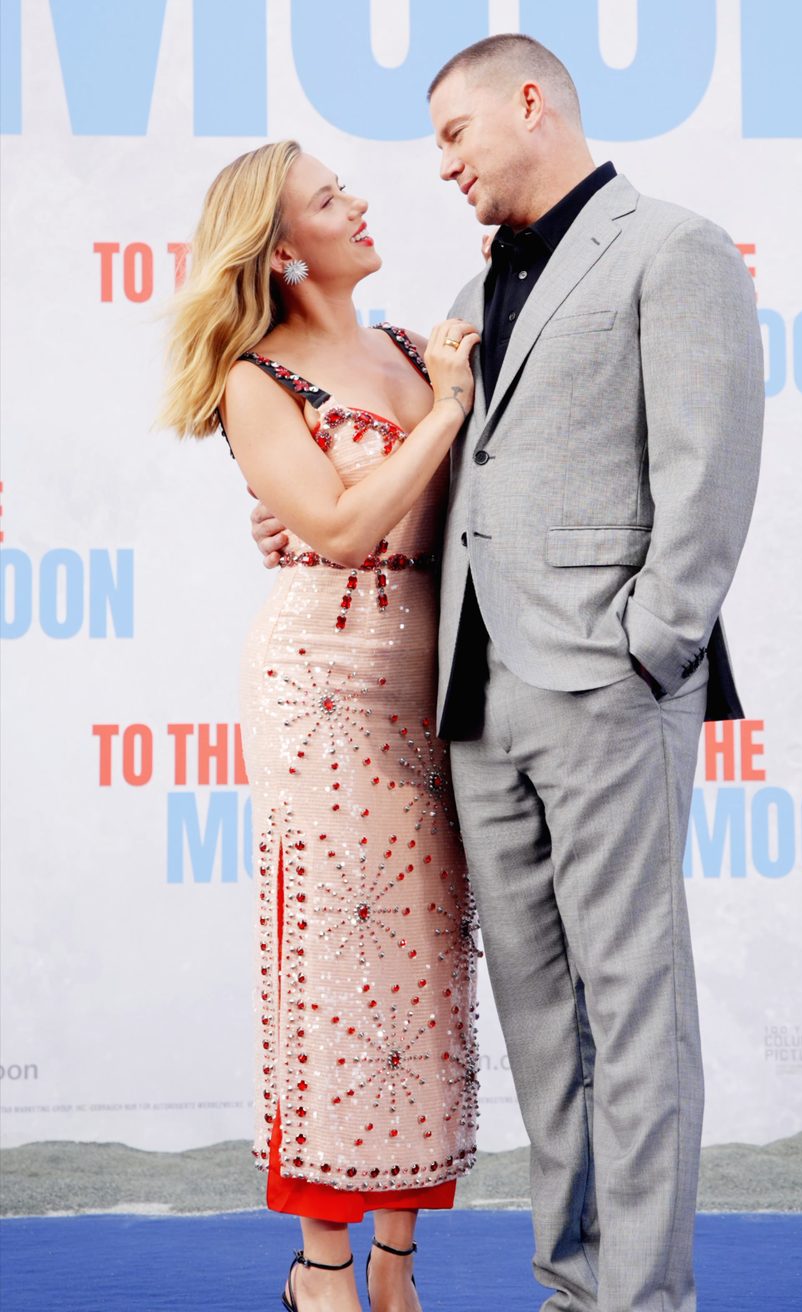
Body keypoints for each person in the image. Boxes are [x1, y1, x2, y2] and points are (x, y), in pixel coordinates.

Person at [253, 35, 765, 1312]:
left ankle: (637, 1300)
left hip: (604, 688)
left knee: (631, 1013)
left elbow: (708, 475)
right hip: (469, 709)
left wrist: (648, 649)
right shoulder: (477, 287)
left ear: (527, 104)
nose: (440, 167)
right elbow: (457, 477)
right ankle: (570, 1287)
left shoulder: (673, 246)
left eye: (452, 136)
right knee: (544, 1025)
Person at [161, 140, 481, 1312]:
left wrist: (441, 404)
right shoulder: (259, 376)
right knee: (333, 971)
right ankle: (324, 1272)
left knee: (423, 975)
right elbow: (342, 531)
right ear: (283, 247)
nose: (360, 203)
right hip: (322, 690)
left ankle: (396, 1270)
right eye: (330, 198)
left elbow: (445, 516)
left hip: (431, 689)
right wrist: (444, 415)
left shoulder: (409, 347)